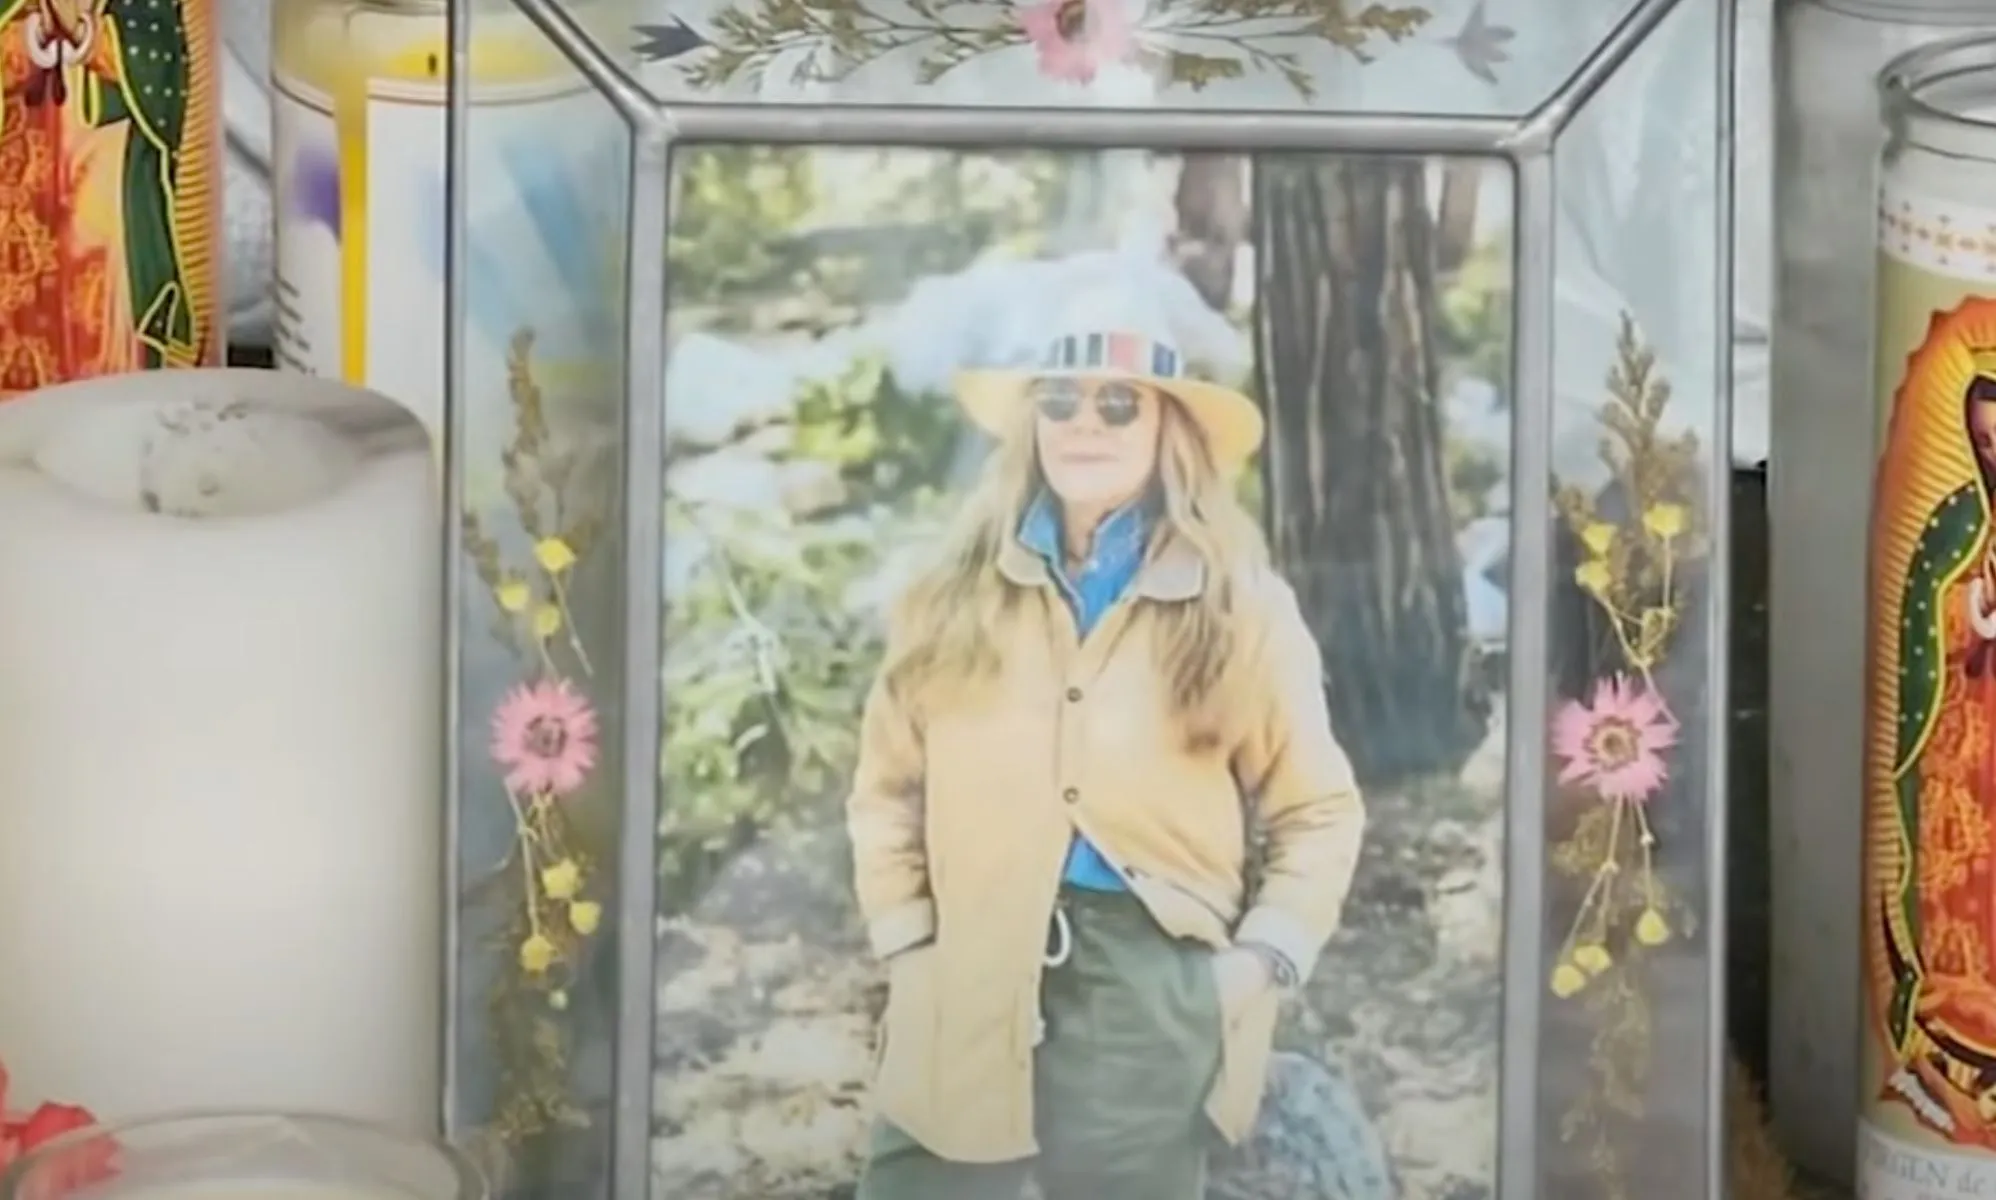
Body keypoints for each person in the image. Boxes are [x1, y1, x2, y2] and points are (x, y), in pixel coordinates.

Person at [845, 286, 1367, 1200]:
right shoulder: (950, 594)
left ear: (1169, 427)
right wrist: (909, 945)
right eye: (1060, 400)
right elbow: (888, 790)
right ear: (1032, 425)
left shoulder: (1240, 605)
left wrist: (1253, 967)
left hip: (1145, 990)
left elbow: (1317, 810)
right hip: (966, 969)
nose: (1085, 423)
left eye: (1119, 402)